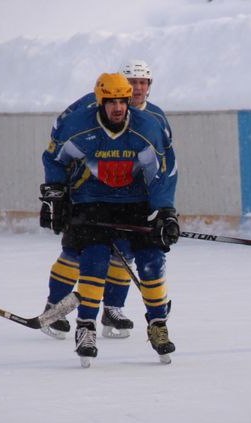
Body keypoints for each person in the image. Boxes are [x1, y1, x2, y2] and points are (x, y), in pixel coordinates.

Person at [40, 72, 179, 367]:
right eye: (111, 101)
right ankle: (85, 327)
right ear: (100, 101)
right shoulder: (80, 125)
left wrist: (164, 211)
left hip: (135, 200)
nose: (118, 107)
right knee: (94, 258)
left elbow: (162, 172)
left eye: (122, 101)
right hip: (91, 200)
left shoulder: (146, 127)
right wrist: (55, 194)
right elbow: (55, 159)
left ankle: (158, 324)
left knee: (152, 258)